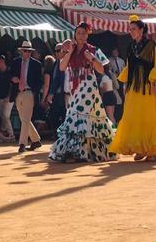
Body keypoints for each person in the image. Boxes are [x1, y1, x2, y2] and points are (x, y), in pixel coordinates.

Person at [49, 23, 114, 163]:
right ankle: (75, 151)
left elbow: (102, 69)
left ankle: (77, 152)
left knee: (79, 115)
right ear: (74, 34)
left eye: (84, 33)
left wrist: (91, 58)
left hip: (88, 87)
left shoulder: (93, 49)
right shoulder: (70, 49)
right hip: (74, 89)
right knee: (74, 115)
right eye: (78, 33)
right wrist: (69, 51)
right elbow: (61, 67)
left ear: (88, 34)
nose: (81, 35)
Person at [110, 16, 156, 162]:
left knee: (149, 116)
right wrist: (126, 85)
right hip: (134, 86)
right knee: (134, 116)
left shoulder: (151, 45)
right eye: (130, 29)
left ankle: (152, 150)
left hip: (147, 85)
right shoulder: (131, 46)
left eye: (134, 29)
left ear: (141, 30)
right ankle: (140, 148)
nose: (131, 32)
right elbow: (129, 66)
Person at [8, 41, 44, 152]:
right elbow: (10, 74)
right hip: (18, 92)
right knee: (24, 119)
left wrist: (34, 93)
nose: (27, 53)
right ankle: (36, 140)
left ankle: (22, 144)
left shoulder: (36, 64)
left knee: (25, 119)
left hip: (29, 92)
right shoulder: (15, 62)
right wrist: (12, 79)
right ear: (21, 51)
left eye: (29, 51)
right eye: (25, 51)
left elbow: (39, 81)